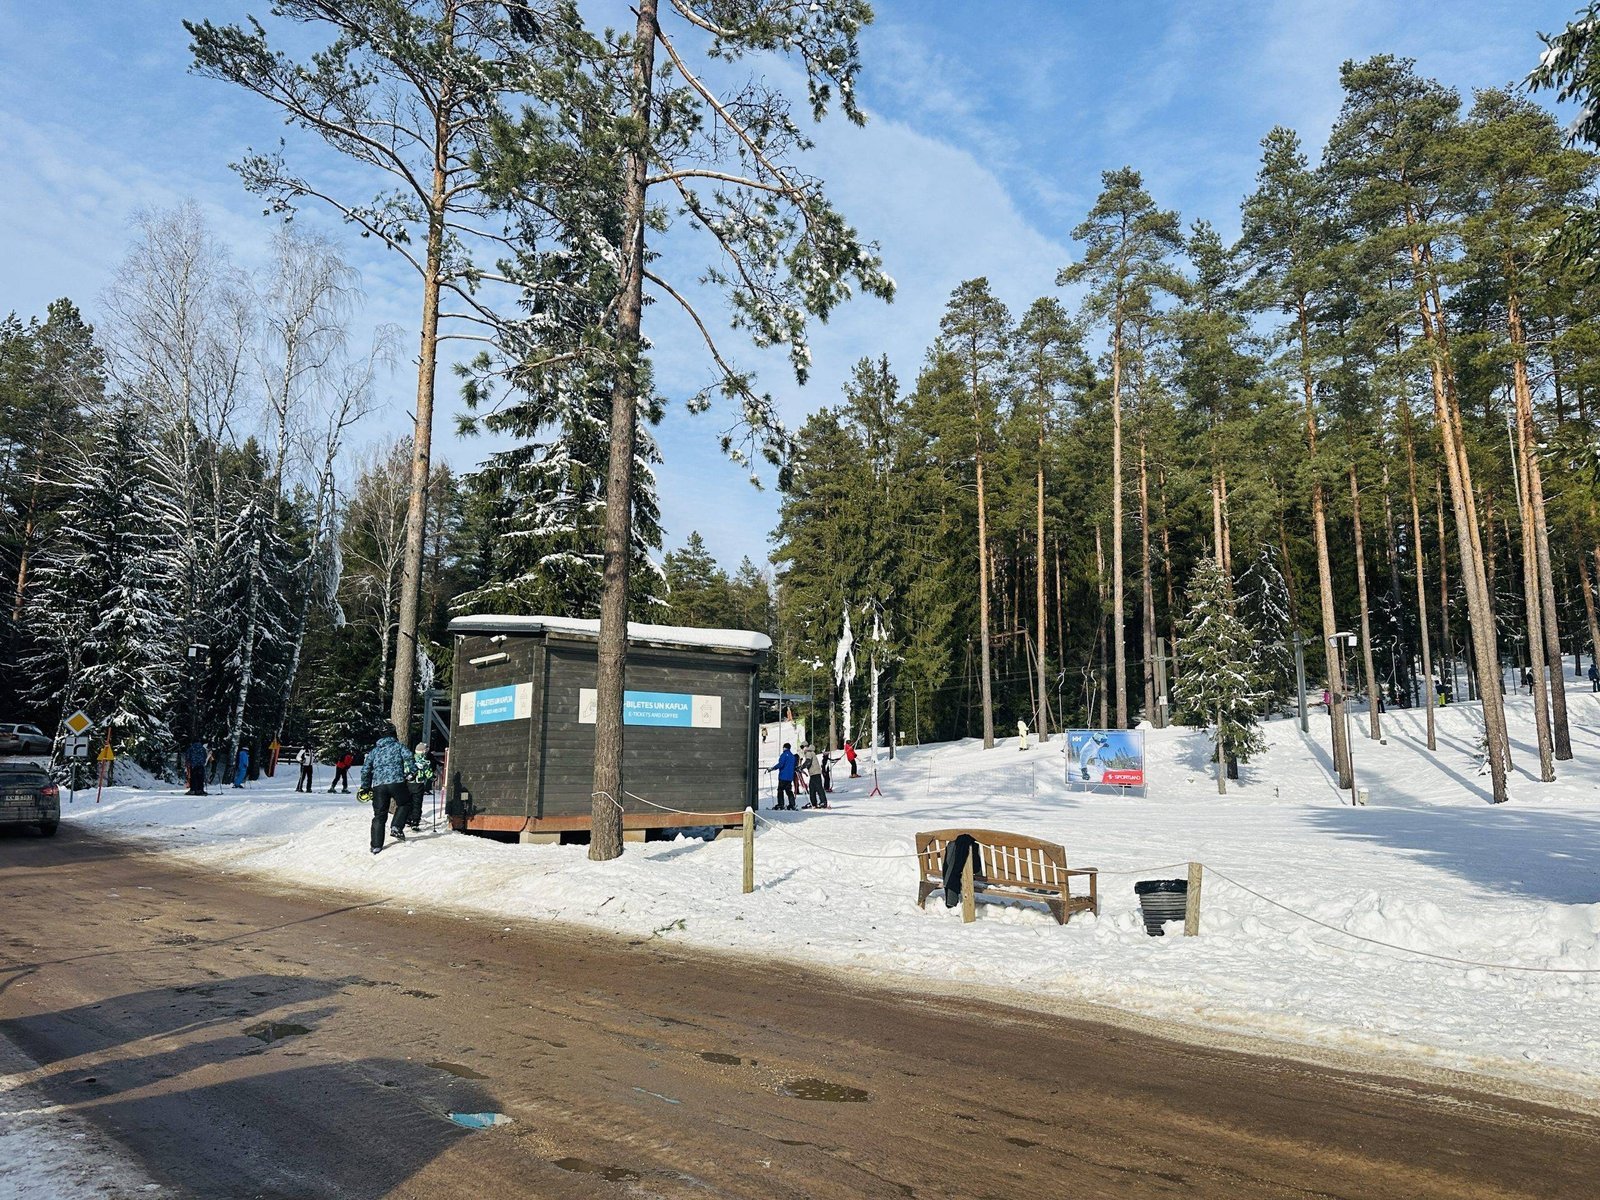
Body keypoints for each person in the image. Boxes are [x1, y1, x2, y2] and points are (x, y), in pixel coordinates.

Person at [361, 724, 415, 854]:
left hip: (379, 785)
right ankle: (396, 826)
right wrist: (412, 772)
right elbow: (409, 757)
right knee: (405, 803)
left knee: (379, 815)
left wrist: (365, 786)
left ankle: (376, 845)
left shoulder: (374, 751)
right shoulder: (398, 746)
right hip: (397, 781)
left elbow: (365, 770)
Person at [407, 742, 435, 831]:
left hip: (408, 784)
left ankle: (407, 818)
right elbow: (428, 772)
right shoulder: (424, 761)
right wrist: (432, 777)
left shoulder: (409, 759)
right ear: (424, 751)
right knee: (417, 803)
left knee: (408, 802)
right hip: (418, 784)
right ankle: (415, 822)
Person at [772, 742, 798, 810]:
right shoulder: (792, 756)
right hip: (789, 777)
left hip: (783, 776)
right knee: (789, 791)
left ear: (784, 748)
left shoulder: (784, 755)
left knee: (780, 790)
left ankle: (781, 804)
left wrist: (773, 768)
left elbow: (781, 764)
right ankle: (792, 804)